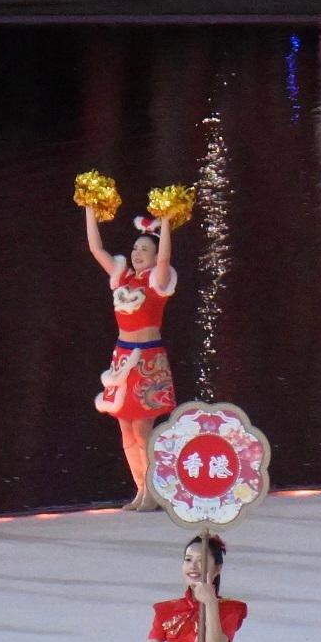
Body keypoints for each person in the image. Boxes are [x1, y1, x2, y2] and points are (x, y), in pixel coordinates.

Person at [82, 195, 184, 509]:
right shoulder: (122, 278)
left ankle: (155, 489)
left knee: (143, 427)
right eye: (135, 249)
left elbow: (166, 257)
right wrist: (88, 209)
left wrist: (166, 221)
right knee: (125, 426)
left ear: (154, 256)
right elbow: (96, 249)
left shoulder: (158, 280)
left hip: (148, 358)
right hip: (122, 358)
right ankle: (141, 490)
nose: (137, 254)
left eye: (144, 250)